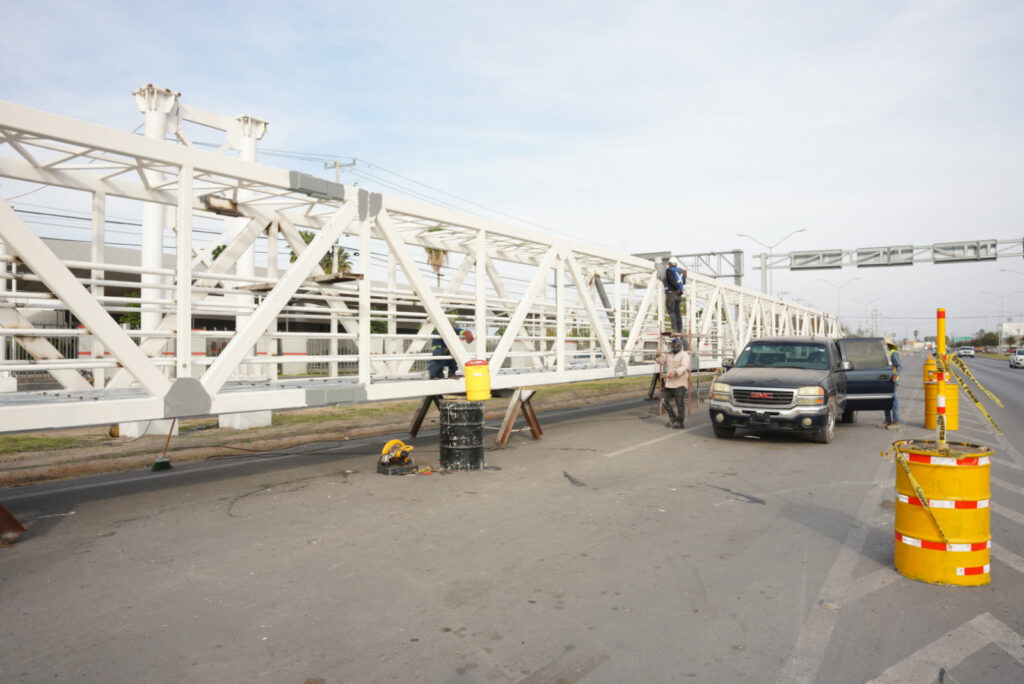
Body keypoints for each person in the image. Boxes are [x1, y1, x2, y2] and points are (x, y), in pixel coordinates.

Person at [655, 337, 691, 428]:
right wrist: (657, 356)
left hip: (680, 383)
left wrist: (675, 372)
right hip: (669, 383)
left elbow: (684, 367)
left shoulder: (684, 355)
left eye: (674, 345)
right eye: (672, 345)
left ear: (679, 345)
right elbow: (661, 361)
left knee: (680, 404)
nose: (673, 346)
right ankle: (673, 418)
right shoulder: (669, 354)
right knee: (663, 400)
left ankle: (680, 422)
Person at [880, 338, 902, 429]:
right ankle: (887, 420)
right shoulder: (884, 353)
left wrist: (896, 375)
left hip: (892, 380)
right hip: (886, 379)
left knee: (893, 400)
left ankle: (896, 421)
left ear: (888, 345)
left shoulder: (893, 352)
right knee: (886, 400)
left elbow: (899, 366)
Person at [664, 259, 686, 333]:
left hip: (671, 293)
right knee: (677, 312)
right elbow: (684, 282)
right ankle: (679, 328)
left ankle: (674, 328)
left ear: (670, 263)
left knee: (671, 311)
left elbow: (671, 280)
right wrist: (679, 289)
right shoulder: (680, 271)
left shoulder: (669, 270)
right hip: (679, 294)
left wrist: (676, 288)